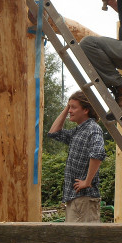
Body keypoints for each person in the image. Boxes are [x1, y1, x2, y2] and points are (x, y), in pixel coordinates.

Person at [47, 91, 106, 223]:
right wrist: (67, 107)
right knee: (74, 241)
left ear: (86, 110)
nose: (69, 111)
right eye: (69, 107)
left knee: (84, 241)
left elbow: (98, 153)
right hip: (75, 198)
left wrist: (87, 181)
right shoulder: (78, 131)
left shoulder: (93, 128)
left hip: (84, 199)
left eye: (73, 107)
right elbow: (53, 133)